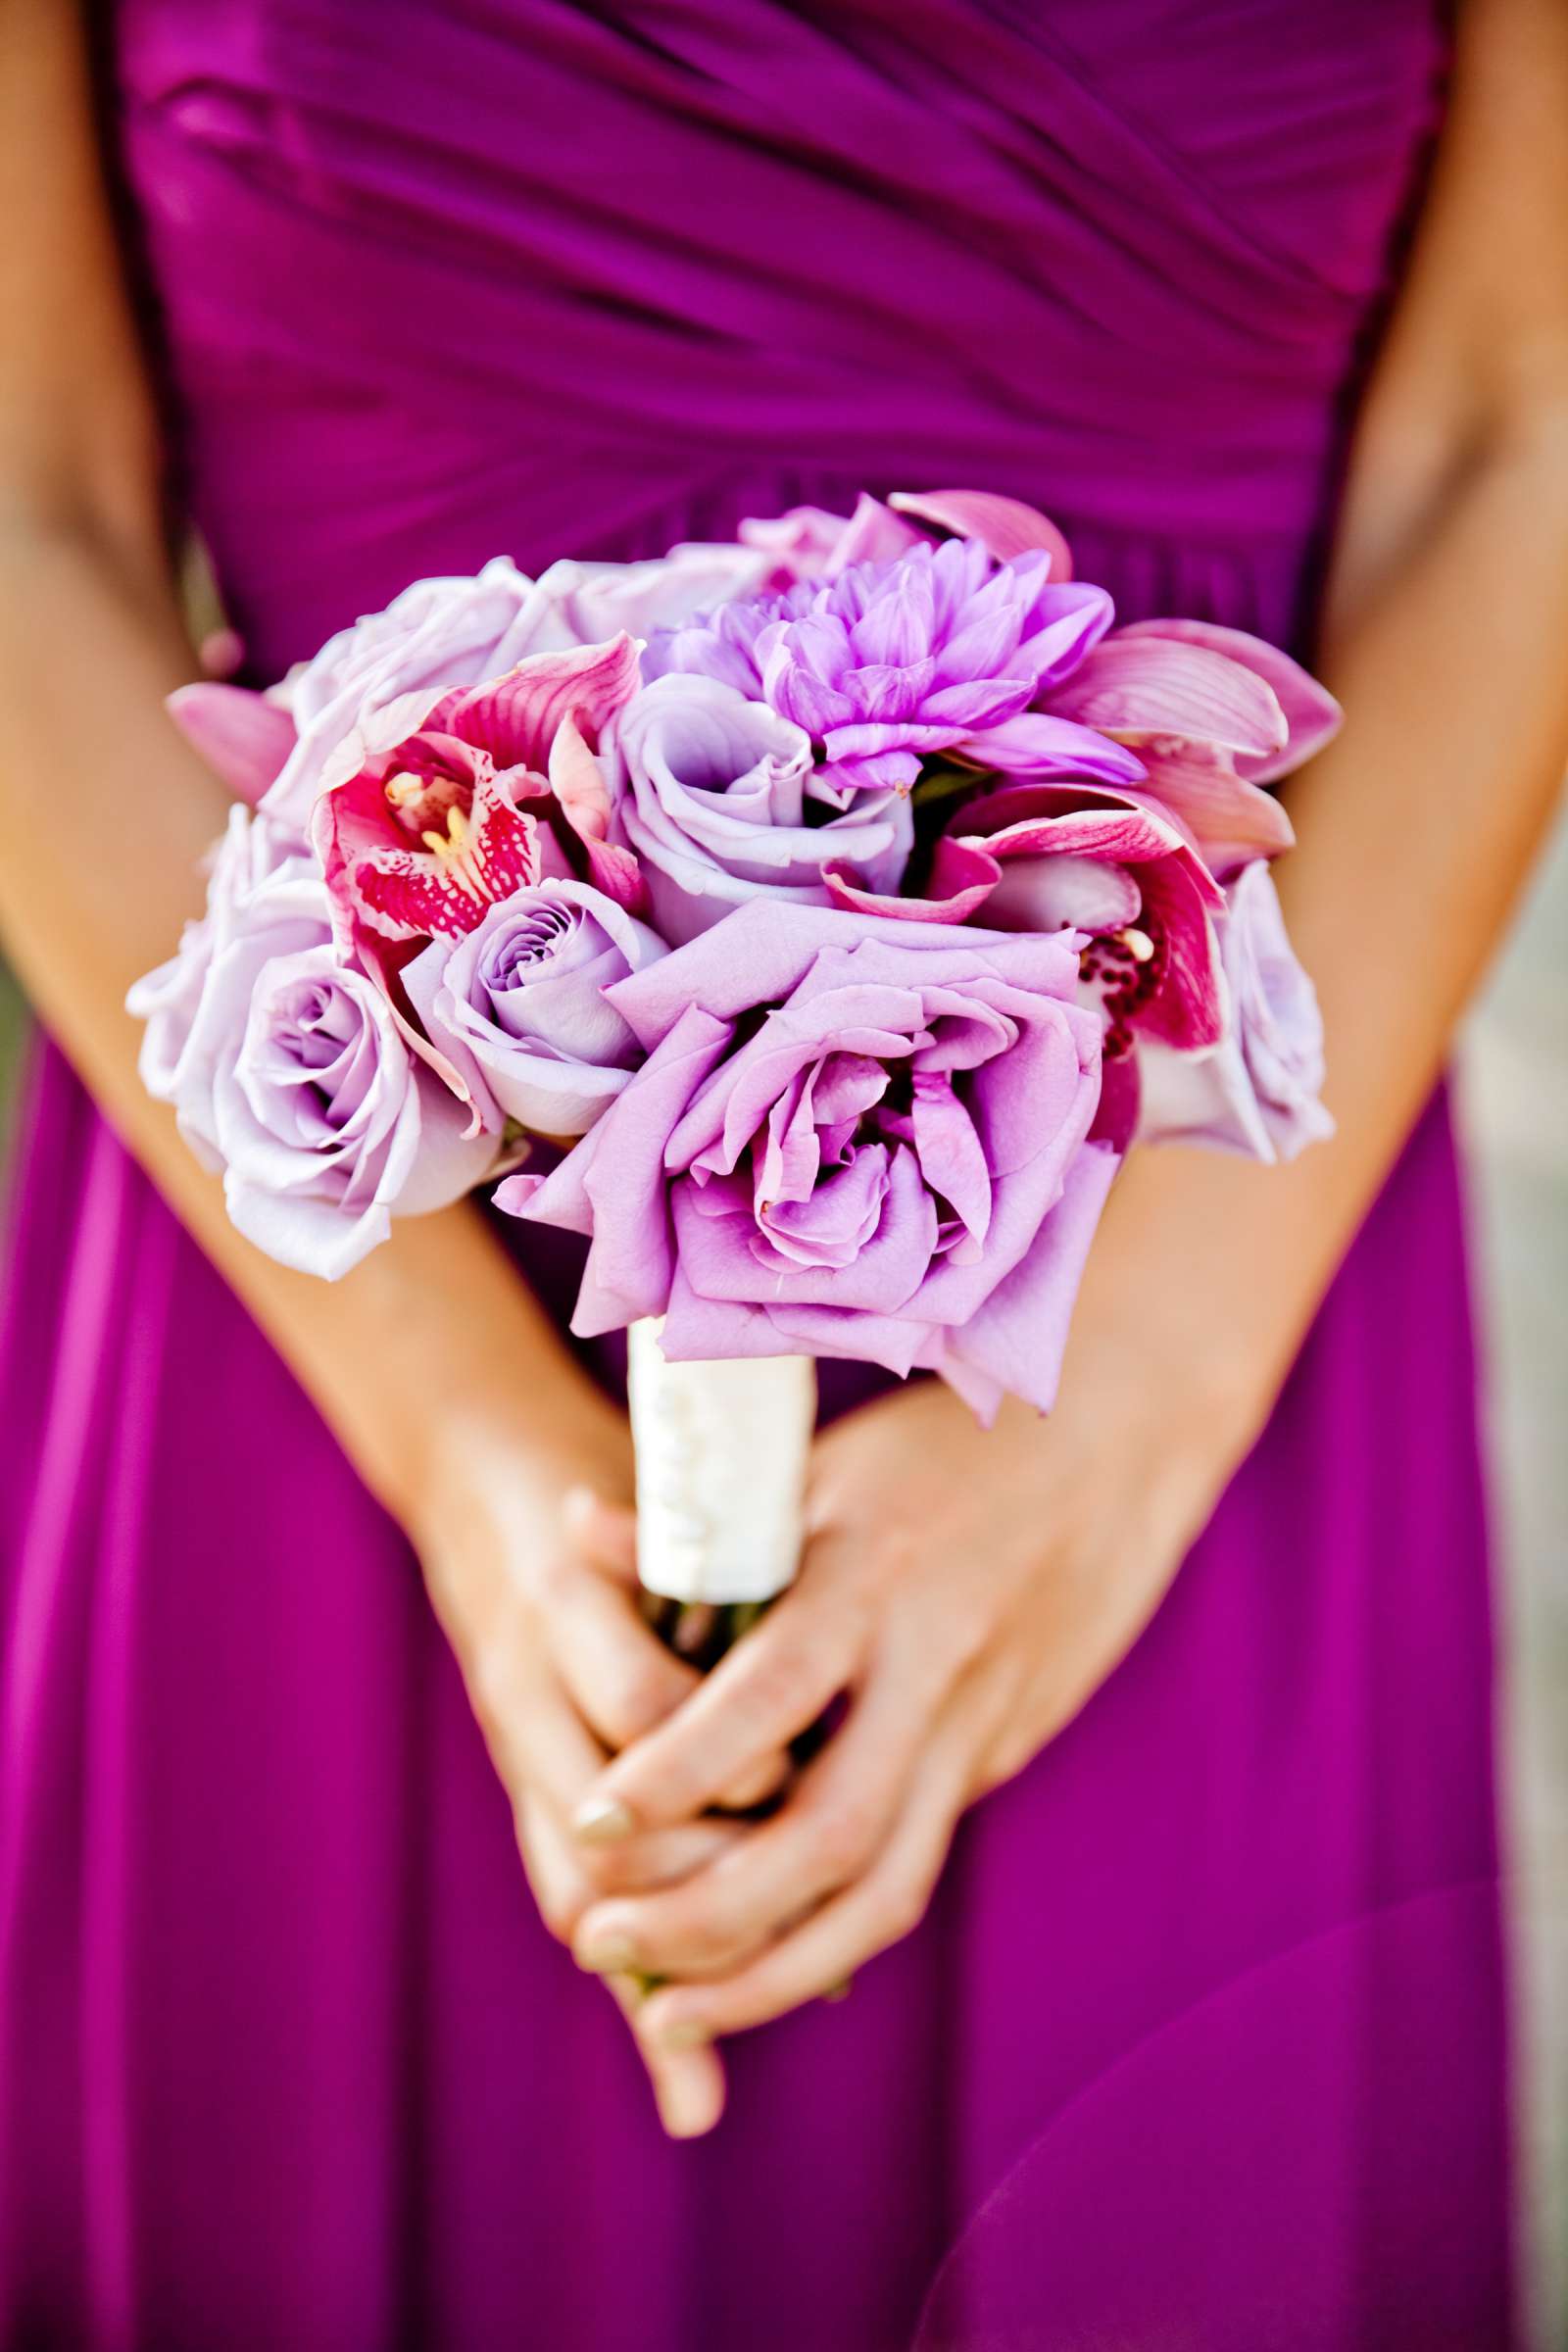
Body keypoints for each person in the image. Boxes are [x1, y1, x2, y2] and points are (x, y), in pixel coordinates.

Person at [1, 2, 1563, 2344]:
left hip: (1185, 1273)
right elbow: (29, 494)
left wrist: (1131, 1400)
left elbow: (1510, 421)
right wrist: (457, 1446)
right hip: (327, 1324)